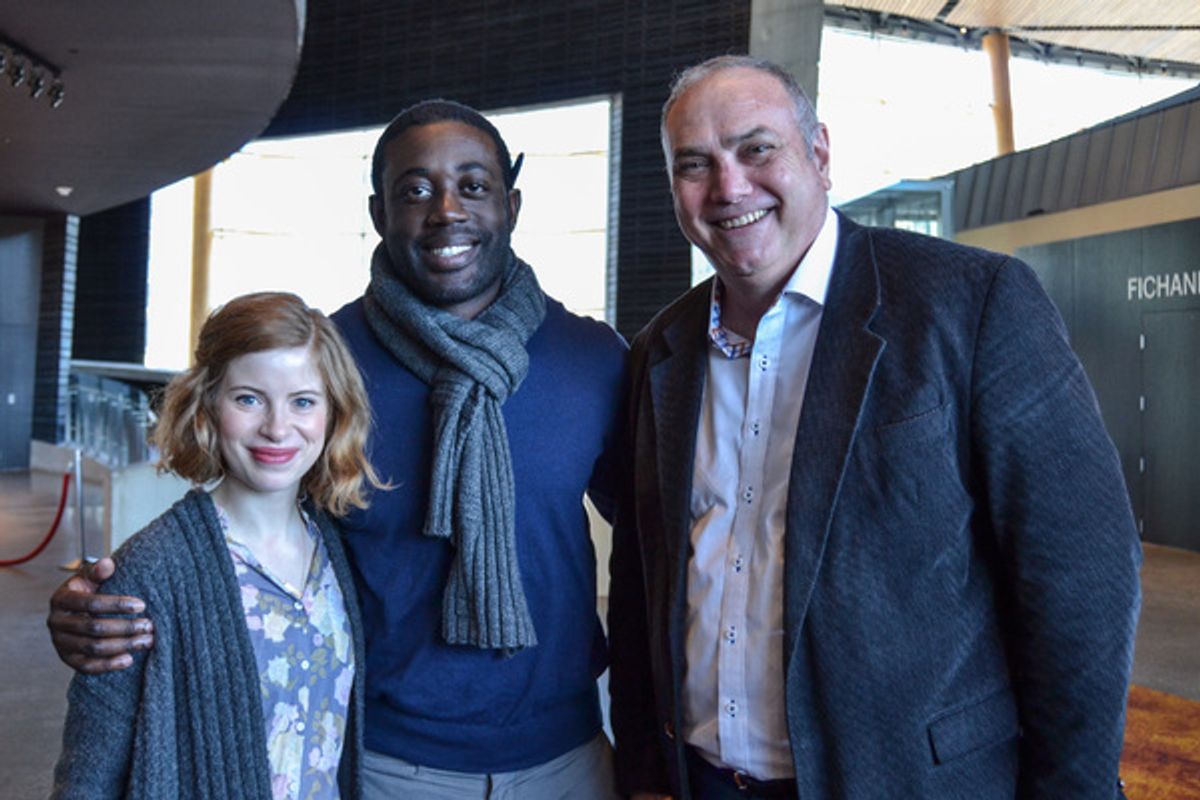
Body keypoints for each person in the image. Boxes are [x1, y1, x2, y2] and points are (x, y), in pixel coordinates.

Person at [48, 100, 627, 798]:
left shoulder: (593, 358)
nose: (446, 210)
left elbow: (659, 550)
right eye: (415, 190)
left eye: (473, 185)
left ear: (513, 203)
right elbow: (240, 537)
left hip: (566, 758)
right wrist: (103, 609)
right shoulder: (325, 366)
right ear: (380, 212)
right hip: (384, 760)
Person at [607, 55, 1142, 800]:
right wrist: (643, 767)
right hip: (703, 783)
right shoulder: (660, 352)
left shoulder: (971, 304)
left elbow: (1082, 574)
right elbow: (642, 579)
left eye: (756, 148)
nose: (728, 187)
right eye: (694, 165)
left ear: (819, 153)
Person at [52, 291, 385, 799]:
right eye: (248, 398)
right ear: (209, 405)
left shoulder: (334, 548)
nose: (276, 427)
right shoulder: (151, 569)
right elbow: (88, 772)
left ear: (332, 413)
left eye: (302, 401)